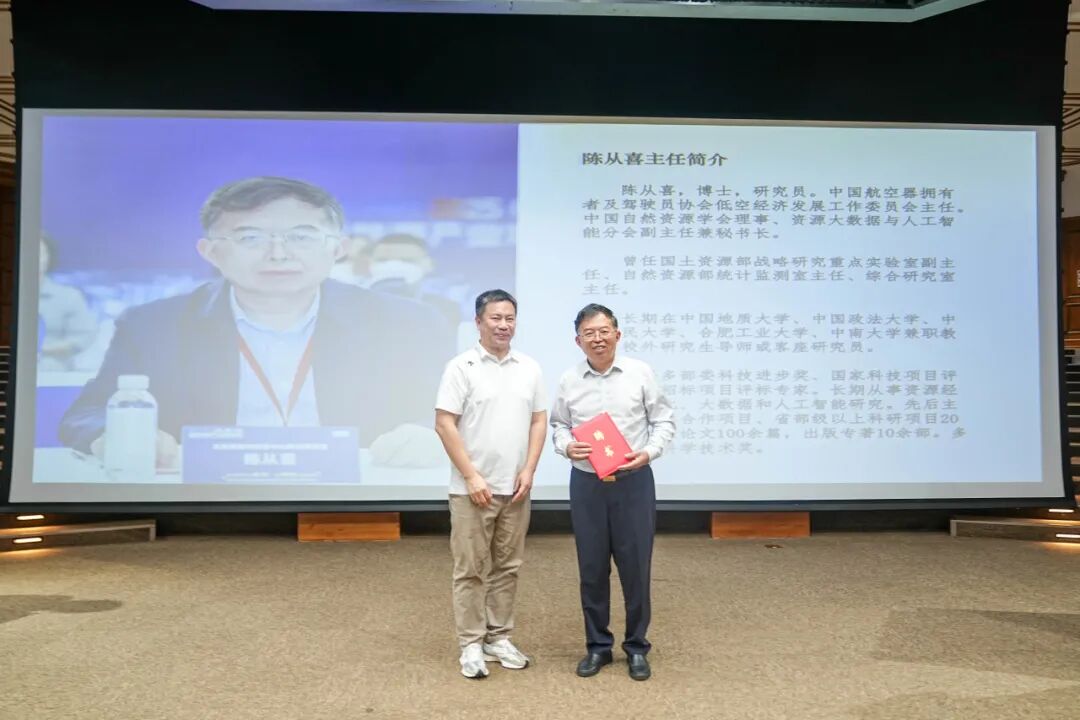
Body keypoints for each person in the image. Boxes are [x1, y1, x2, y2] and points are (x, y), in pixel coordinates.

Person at [58, 176, 452, 467]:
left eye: (301, 237)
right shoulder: (153, 325)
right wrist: (110, 436)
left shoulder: (405, 323)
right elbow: (86, 415)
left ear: (338, 249)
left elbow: (457, 413)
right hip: (208, 507)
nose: (278, 254)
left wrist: (428, 434)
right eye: (250, 238)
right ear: (210, 252)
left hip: (363, 499)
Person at [550, 303, 675, 682]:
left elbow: (664, 420)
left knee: (636, 569)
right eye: (589, 333)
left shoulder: (640, 373)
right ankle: (598, 646)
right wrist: (566, 446)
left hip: (633, 482)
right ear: (578, 341)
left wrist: (649, 452)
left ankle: (636, 647)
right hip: (587, 484)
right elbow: (559, 425)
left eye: (604, 331)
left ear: (617, 335)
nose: (598, 338)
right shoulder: (569, 379)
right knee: (591, 569)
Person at [434, 289, 546, 679]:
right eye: (496, 318)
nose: (503, 325)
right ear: (478, 322)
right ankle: (470, 643)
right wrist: (471, 475)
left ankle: (498, 638)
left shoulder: (529, 367)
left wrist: (529, 468)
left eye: (510, 318)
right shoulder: (460, 367)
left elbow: (538, 420)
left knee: (508, 567)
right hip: (471, 490)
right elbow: (444, 423)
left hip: (515, 488)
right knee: (470, 569)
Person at [368, 233, 461, 328]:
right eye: (383, 260)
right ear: (369, 264)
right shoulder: (359, 305)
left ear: (429, 265)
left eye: (407, 261)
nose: (394, 267)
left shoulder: (445, 309)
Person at [38, 232, 99, 372]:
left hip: (52, 372)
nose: (32, 258)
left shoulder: (69, 297)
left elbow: (83, 338)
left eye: (39, 253)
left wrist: (41, 350)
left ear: (49, 258)